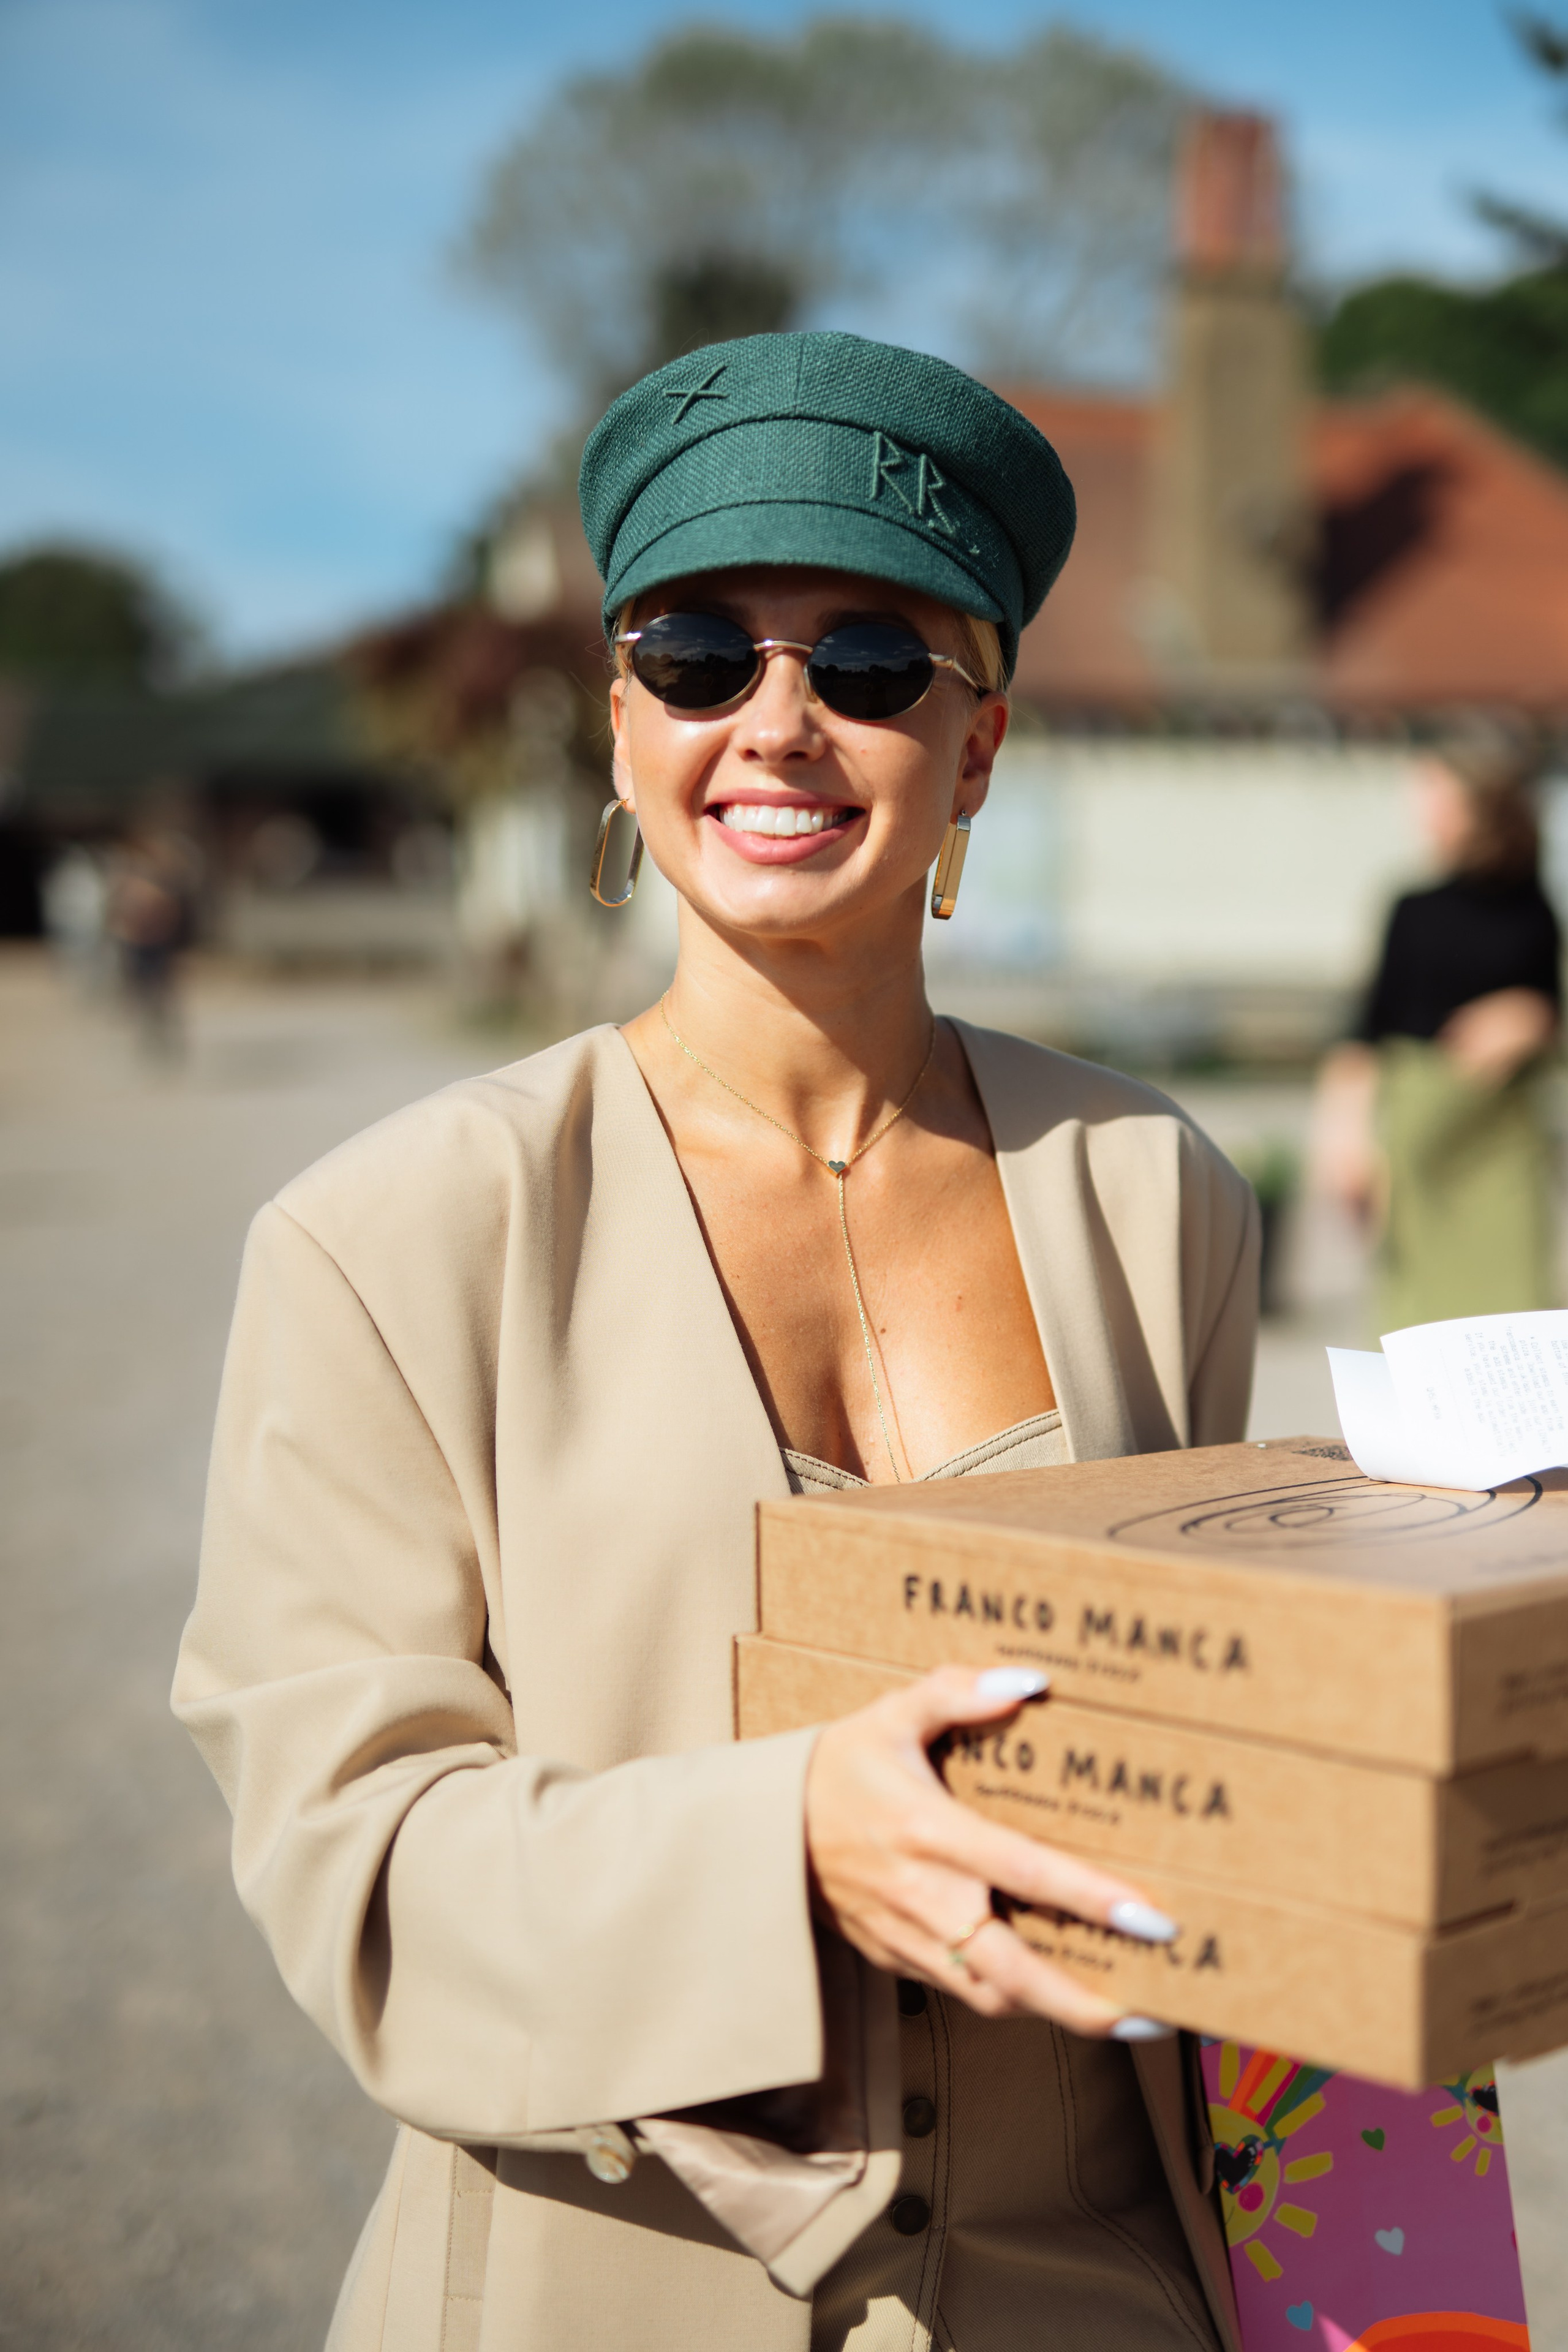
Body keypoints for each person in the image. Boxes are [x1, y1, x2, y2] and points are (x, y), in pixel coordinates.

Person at [174, 331, 1257, 2352]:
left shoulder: (1151, 1185)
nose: (777, 723)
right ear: (617, 724)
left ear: (984, 743)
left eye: (865, 664)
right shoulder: (386, 1235)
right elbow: (354, 1871)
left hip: (1101, 2293)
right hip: (595, 2288)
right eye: (696, 656)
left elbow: (1219, 1727)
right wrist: (789, 1845)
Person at [1312, 742, 1561, 1330]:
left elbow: (1554, 1005)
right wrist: (1344, 1137)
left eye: (1434, 794)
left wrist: (1535, 1017)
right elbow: (1368, 1029)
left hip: (1501, 1136)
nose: (1422, 811)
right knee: (1415, 1309)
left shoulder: (1537, 908)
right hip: (1419, 1128)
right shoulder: (1412, 907)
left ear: (1482, 806)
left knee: (1516, 1307)